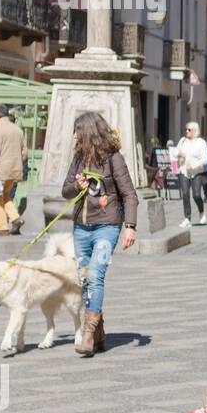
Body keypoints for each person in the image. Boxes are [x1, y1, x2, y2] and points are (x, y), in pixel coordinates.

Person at [62, 111, 138, 357]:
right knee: (84, 279)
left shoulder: (113, 158)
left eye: (77, 131)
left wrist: (130, 227)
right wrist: (77, 186)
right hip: (81, 228)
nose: (74, 136)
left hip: (107, 225)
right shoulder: (78, 158)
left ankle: (87, 333)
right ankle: (99, 330)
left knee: (95, 274)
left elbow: (129, 194)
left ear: (88, 133)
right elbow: (65, 191)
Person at [0, 105, 27, 234]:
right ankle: (15, 218)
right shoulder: (18, 130)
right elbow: (25, 152)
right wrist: (16, 162)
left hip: (0, 172)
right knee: (5, 195)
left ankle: (1, 226)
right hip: (14, 171)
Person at [174, 121, 207, 227]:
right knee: (185, 194)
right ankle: (187, 218)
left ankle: (201, 212)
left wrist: (194, 166)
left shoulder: (201, 142)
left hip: (196, 172)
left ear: (195, 131)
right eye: (186, 129)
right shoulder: (183, 141)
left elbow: (205, 159)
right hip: (184, 171)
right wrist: (178, 154)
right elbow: (175, 152)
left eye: (189, 130)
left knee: (196, 195)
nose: (186, 131)